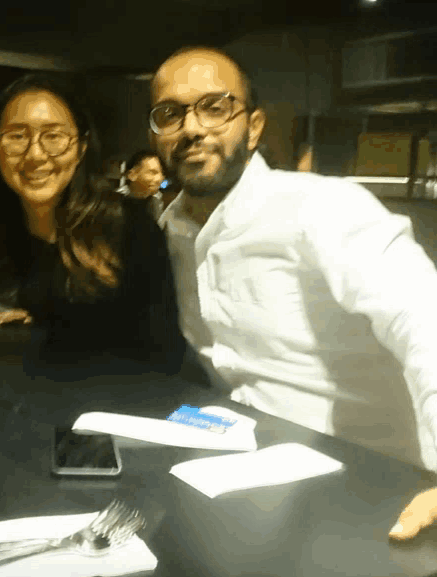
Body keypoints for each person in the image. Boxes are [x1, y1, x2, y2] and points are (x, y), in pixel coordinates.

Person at [149, 45, 437, 541]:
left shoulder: (322, 208)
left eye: (215, 107)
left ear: (254, 127)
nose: (192, 127)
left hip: (372, 488)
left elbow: (423, 319)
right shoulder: (169, 230)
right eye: (170, 113)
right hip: (242, 480)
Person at [0, 72, 184, 380]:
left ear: (81, 148)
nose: (36, 154)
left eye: (54, 136)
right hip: (52, 391)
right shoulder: (1, 221)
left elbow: (162, 350)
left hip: (131, 396)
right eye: (17, 136)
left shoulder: (129, 226)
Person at [118, 150, 165, 222]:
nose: (160, 178)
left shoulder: (156, 201)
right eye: (152, 172)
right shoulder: (116, 201)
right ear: (132, 175)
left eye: (161, 173)